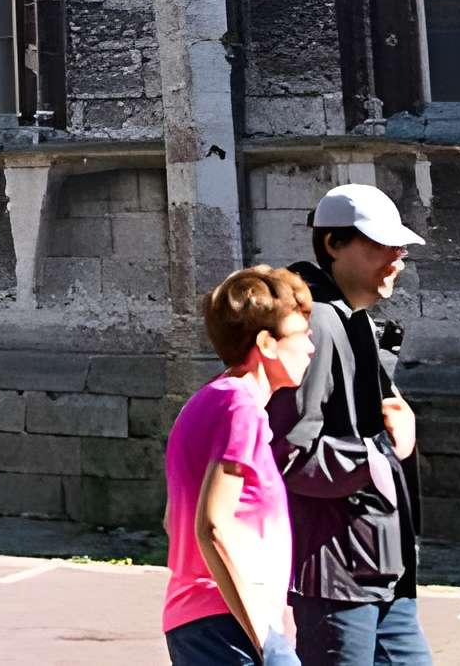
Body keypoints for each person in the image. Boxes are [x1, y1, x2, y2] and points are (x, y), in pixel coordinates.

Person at [271, 183, 432, 666]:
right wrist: (384, 451)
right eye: (382, 244)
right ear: (333, 244)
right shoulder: (317, 323)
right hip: (338, 571)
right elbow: (288, 456)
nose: (397, 258)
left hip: (379, 564)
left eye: (401, 247)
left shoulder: (349, 316)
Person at [162, 264, 314, 666]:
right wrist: (263, 636)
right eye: (302, 335)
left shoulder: (206, 400)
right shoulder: (240, 407)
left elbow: (172, 520)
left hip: (200, 622)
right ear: (267, 343)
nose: (311, 348)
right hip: (227, 624)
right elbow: (212, 526)